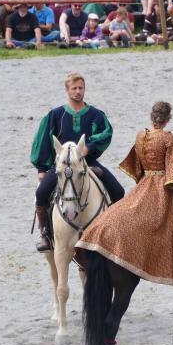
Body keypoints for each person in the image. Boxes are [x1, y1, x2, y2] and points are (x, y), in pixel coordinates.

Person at [75, 101, 173, 285]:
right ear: (167, 119)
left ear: (152, 117)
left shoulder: (141, 136)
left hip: (145, 184)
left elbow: (136, 166)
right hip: (163, 188)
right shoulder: (169, 138)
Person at [31, 73, 124, 252]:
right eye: (74, 88)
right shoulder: (56, 115)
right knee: (41, 194)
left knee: (118, 192)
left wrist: (89, 147)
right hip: (62, 165)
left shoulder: (96, 114)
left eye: (80, 88)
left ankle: (113, 231)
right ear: (67, 90)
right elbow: (43, 139)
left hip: (87, 162)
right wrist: (42, 168)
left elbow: (106, 132)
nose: (78, 92)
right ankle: (45, 235)